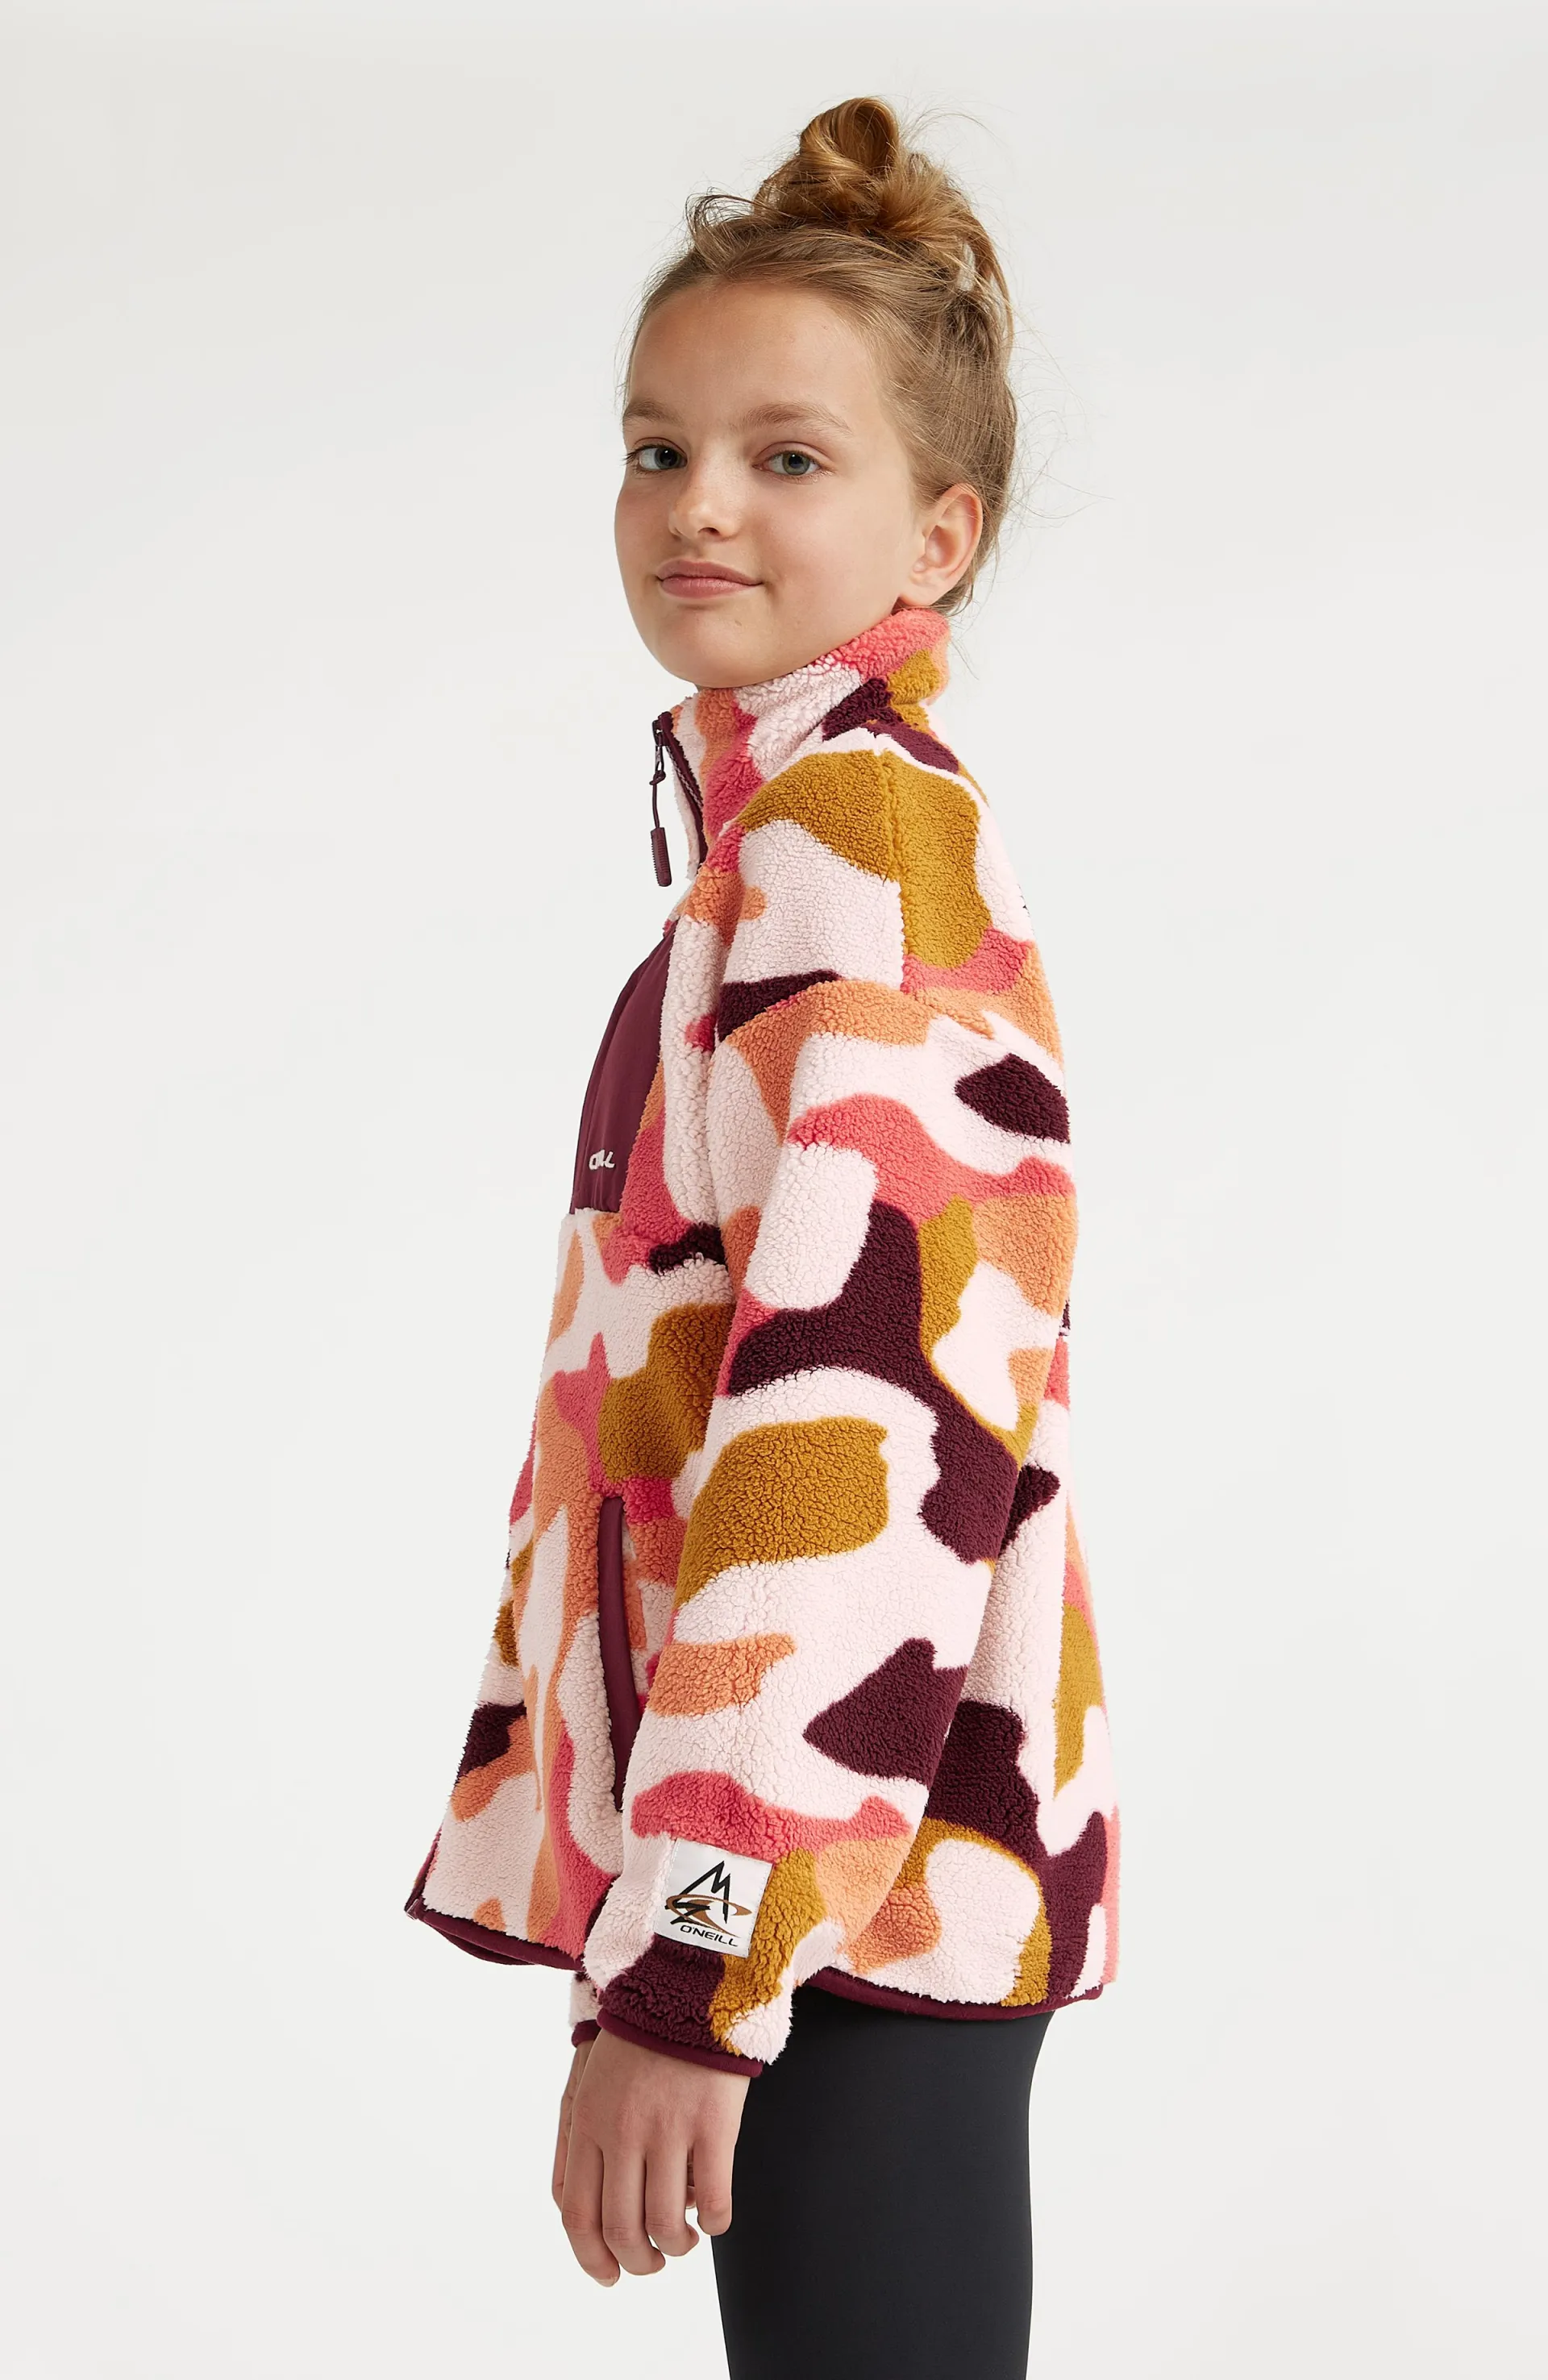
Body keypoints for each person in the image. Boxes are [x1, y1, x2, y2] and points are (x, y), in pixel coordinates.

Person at [406, 96, 1119, 2380]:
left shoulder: (856, 850)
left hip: (847, 1886)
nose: (697, 501)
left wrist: (700, 1963)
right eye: (658, 447)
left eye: (785, 457)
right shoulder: (762, 854)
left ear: (943, 527)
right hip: (832, 1876)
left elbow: (872, 1423)